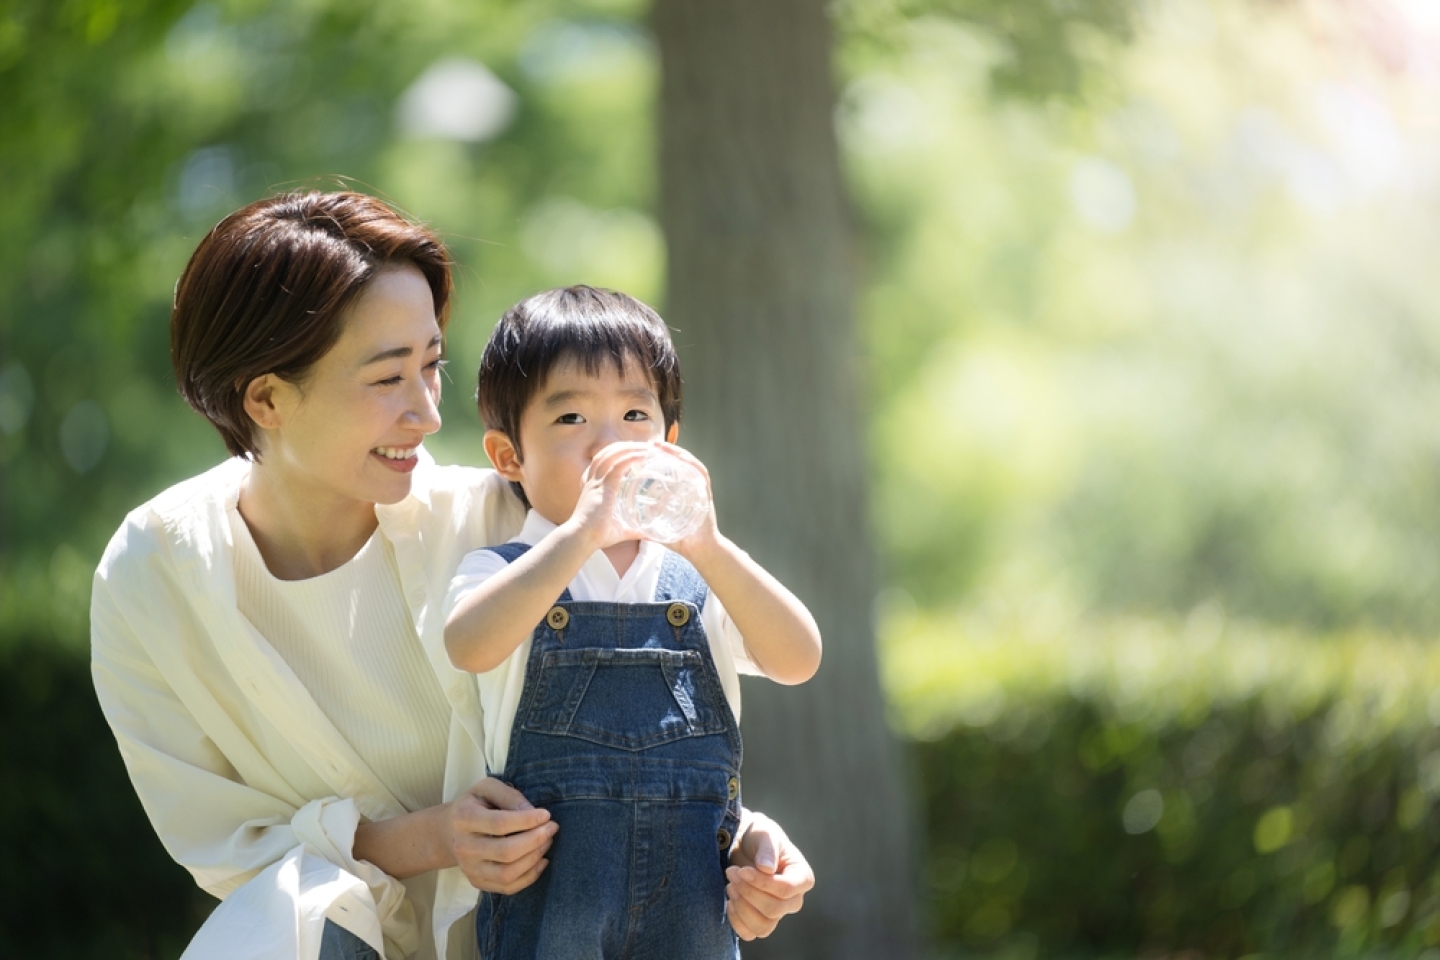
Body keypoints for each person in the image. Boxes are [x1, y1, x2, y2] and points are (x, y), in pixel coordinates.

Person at [89, 191, 814, 960]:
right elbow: (226, 844)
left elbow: (655, 728)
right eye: (386, 378)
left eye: (431, 366)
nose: (429, 414)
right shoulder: (157, 574)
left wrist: (740, 838)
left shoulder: (514, 520)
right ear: (266, 397)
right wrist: (432, 838)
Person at [441, 286, 822, 959]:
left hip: (693, 909)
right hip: (551, 906)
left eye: (634, 413)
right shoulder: (507, 569)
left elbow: (798, 659)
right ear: (508, 458)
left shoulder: (699, 576)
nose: (608, 443)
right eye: (571, 421)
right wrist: (586, 528)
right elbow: (470, 644)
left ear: (669, 443)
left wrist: (706, 543)